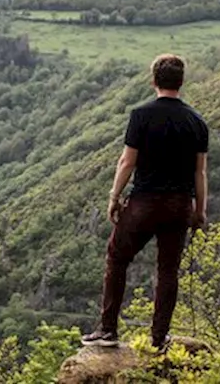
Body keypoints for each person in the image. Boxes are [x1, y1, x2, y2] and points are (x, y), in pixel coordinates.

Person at [81, 53, 209, 350]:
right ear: (181, 81)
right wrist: (199, 211)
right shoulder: (197, 122)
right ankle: (159, 337)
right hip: (179, 204)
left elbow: (127, 161)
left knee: (117, 257)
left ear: (153, 80)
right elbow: (200, 171)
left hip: (144, 202)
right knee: (167, 270)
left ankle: (108, 330)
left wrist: (114, 197)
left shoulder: (141, 115)